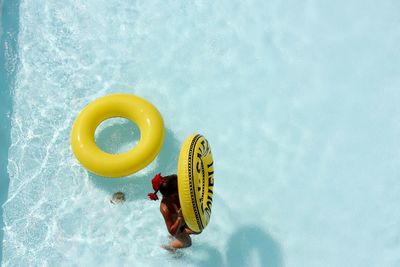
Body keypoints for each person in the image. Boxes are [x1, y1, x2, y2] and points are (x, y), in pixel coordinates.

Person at [148, 173, 196, 251]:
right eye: (178, 191)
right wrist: (179, 217)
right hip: (177, 228)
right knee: (188, 243)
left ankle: (184, 231)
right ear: (172, 195)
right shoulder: (165, 208)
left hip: (184, 221)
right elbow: (172, 231)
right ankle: (170, 247)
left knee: (198, 230)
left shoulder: (174, 190)